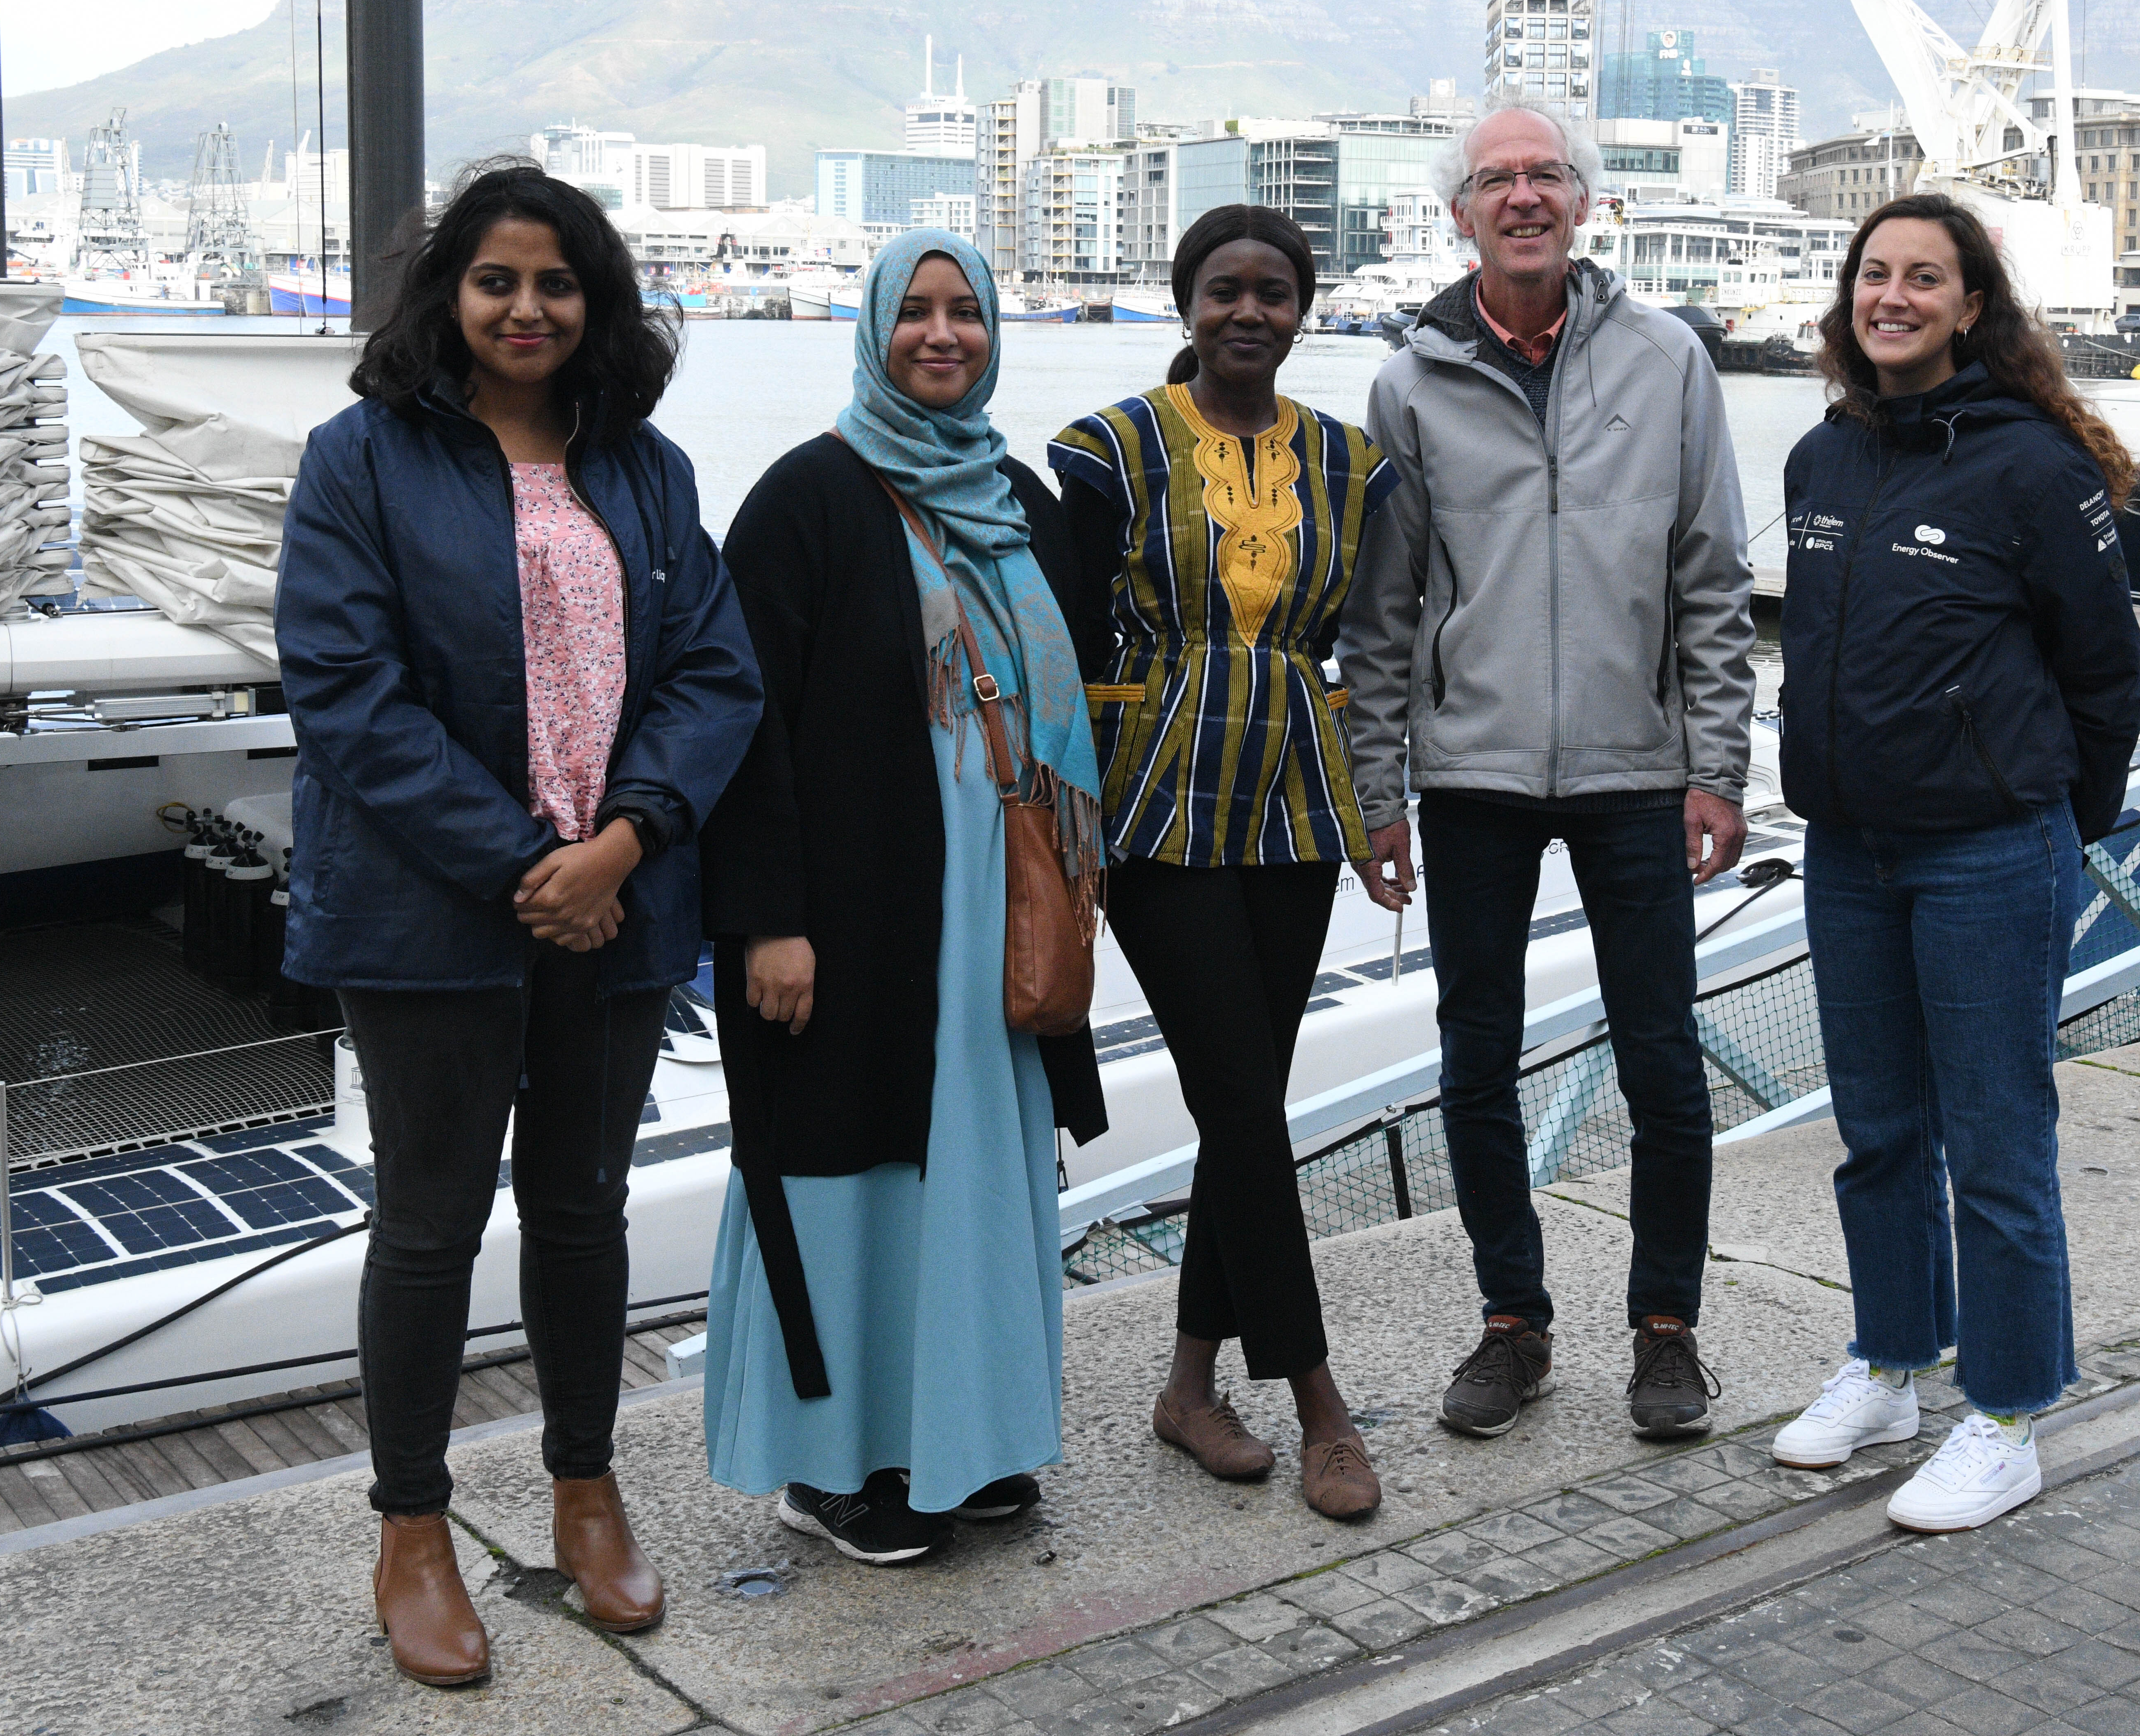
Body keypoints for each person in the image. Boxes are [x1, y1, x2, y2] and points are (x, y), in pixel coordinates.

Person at [277, 160, 761, 1688]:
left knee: (582, 1208)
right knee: (426, 1223)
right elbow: (346, 693)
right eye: (498, 280)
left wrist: (619, 846)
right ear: (451, 295)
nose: (528, 308)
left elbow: (713, 674)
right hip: (431, 914)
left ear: (595, 299)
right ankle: (412, 1530)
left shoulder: (646, 467)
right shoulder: (359, 461)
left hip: (618, 902)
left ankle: (583, 1488)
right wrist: (525, 865)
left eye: (557, 283)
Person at [1336, 94, 1756, 1445]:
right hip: (1474, 775)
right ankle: (1512, 1323)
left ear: (1586, 205)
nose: (1524, 196)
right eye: (1497, 180)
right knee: (1475, 1060)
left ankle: (1667, 1331)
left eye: (1548, 177)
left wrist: (1721, 767)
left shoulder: (1668, 361)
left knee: (1663, 1063)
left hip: (1639, 769)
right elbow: (1381, 615)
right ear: (1458, 214)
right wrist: (1377, 794)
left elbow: (1711, 579)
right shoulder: (1408, 386)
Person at [697, 230, 1112, 1565]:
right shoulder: (805, 502)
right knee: (849, 1179)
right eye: (917, 312)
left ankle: (962, 1442)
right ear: (874, 329)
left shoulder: (1025, 500)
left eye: (967, 313)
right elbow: (741, 729)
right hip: (858, 918)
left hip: (998, 918)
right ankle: (830, 1467)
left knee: (979, 1177)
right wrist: (768, 918)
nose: (944, 335)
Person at [1764, 191, 2140, 1533]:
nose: (1896, 299)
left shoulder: (2032, 469)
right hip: (1849, 850)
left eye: (1926, 279)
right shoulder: (1823, 461)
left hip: (1990, 852)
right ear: (1849, 297)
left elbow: (2106, 673)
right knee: (1876, 1135)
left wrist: (2051, 823)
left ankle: (2008, 1413)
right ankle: (1889, 1364)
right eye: (1877, 275)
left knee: (1994, 1145)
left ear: (1972, 305)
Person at [1051, 205, 1398, 1522]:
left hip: (1298, 801)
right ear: (1184, 301)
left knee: (1242, 1103)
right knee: (1246, 1106)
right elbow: (1070, 645)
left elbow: (1376, 644)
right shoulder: (1108, 453)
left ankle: (1190, 1385)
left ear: (1303, 308)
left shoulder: (1354, 465)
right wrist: (1066, 829)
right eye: (1222, 290)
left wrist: (1381, 809)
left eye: (1274, 292)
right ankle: (1320, 1402)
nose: (1248, 312)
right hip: (1157, 802)